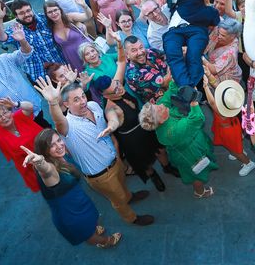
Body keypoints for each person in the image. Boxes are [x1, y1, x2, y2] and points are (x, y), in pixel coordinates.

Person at [35, 77, 154, 225]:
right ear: (66, 104)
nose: (83, 101)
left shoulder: (93, 106)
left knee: (122, 187)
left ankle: (129, 196)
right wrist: (53, 102)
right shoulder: (67, 127)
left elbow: (108, 120)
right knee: (118, 200)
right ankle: (132, 218)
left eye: (83, 96)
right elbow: (58, 120)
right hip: (101, 176)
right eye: (76, 100)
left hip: (116, 162)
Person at [125, 0, 232, 89]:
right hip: (175, 30)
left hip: (195, 28)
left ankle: (190, 88)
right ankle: (187, 88)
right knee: (172, 54)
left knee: (194, 55)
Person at [23, 129, 122, 248]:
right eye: (52, 145)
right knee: (88, 235)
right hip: (70, 214)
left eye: (59, 140)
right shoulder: (49, 168)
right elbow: (47, 172)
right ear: (44, 152)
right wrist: (40, 163)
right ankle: (106, 241)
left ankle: (93, 229)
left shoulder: (61, 156)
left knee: (91, 221)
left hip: (79, 201)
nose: (59, 146)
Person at [139, 81, 218, 198]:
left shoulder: (160, 113)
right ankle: (199, 192)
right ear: (160, 121)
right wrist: (194, 102)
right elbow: (197, 119)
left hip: (191, 142)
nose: (161, 105)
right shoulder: (171, 132)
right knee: (196, 175)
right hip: (190, 154)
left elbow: (170, 91)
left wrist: (175, 79)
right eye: (159, 108)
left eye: (157, 105)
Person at [0, 99, 43, 192]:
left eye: (5, 112)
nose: (3, 117)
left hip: (47, 151)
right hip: (31, 168)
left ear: (11, 112)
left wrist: (16, 104)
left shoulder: (20, 116)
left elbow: (30, 107)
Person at [0, 0, 65, 82]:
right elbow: (0, 37)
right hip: (40, 76)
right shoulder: (16, 29)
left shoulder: (44, 19)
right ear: (16, 16)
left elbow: (63, 19)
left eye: (28, 10)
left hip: (61, 69)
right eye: (21, 13)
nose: (26, 14)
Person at [202, 77, 255, 176]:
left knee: (235, 150)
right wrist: (209, 76)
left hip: (228, 132)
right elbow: (218, 87)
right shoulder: (230, 103)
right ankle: (239, 149)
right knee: (235, 144)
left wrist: (205, 86)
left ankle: (248, 163)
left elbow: (212, 102)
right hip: (233, 126)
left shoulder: (220, 110)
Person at [44, 0, 92, 72]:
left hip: (86, 51)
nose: (53, 13)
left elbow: (88, 16)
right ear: (46, 14)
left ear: (60, 10)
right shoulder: (50, 27)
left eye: (55, 10)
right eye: (50, 12)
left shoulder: (69, 17)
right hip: (71, 57)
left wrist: (84, 5)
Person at [123, 35, 170, 104]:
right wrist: (173, 66)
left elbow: (169, 56)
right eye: (134, 50)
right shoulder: (133, 75)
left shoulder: (150, 52)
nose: (140, 52)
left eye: (141, 47)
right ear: (127, 54)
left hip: (175, 82)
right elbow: (166, 82)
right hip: (163, 102)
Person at [203, 19, 243, 84]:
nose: (219, 36)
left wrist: (200, 56)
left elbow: (213, 70)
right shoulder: (220, 29)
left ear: (232, 36)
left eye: (223, 35)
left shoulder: (231, 52)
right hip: (210, 65)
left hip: (224, 78)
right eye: (219, 33)